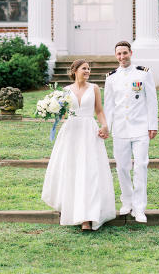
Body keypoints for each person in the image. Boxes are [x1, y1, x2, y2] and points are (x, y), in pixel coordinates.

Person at [41, 59, 116, 231]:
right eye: (84, 68)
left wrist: (105, 125)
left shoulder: (94, 88)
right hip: (71, 132)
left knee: (90, 171)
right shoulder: (65, 91)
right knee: (72, 170)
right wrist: (50, 109)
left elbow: (99, 110)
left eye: (89, 68)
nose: (87, 71)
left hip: (89, 131)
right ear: (75, 70)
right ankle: (73, 210)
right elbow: (62, 113)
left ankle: (89, 217)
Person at [103, 41, 158, 223]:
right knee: (122, 168)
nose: (122, 57)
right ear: (116, 55)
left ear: (131, 53)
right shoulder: (111, 77)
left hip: (141, 127)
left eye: (124, 53)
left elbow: (151, 100)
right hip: (120, 129)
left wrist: (153, 125)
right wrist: (107, 127)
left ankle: (140, 208)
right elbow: (109, 105)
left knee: (141, 166)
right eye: (118, 54)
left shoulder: (144, 73)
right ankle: (127, 202)